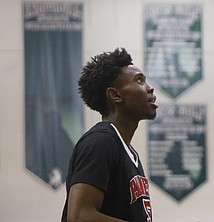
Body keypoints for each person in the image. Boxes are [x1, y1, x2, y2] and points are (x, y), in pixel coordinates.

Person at [61, 47, 158, 221]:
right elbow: (79, 216)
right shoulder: (101, 142)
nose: (150, 88)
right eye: (139, 81)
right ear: (115, 95)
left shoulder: (127, 151)